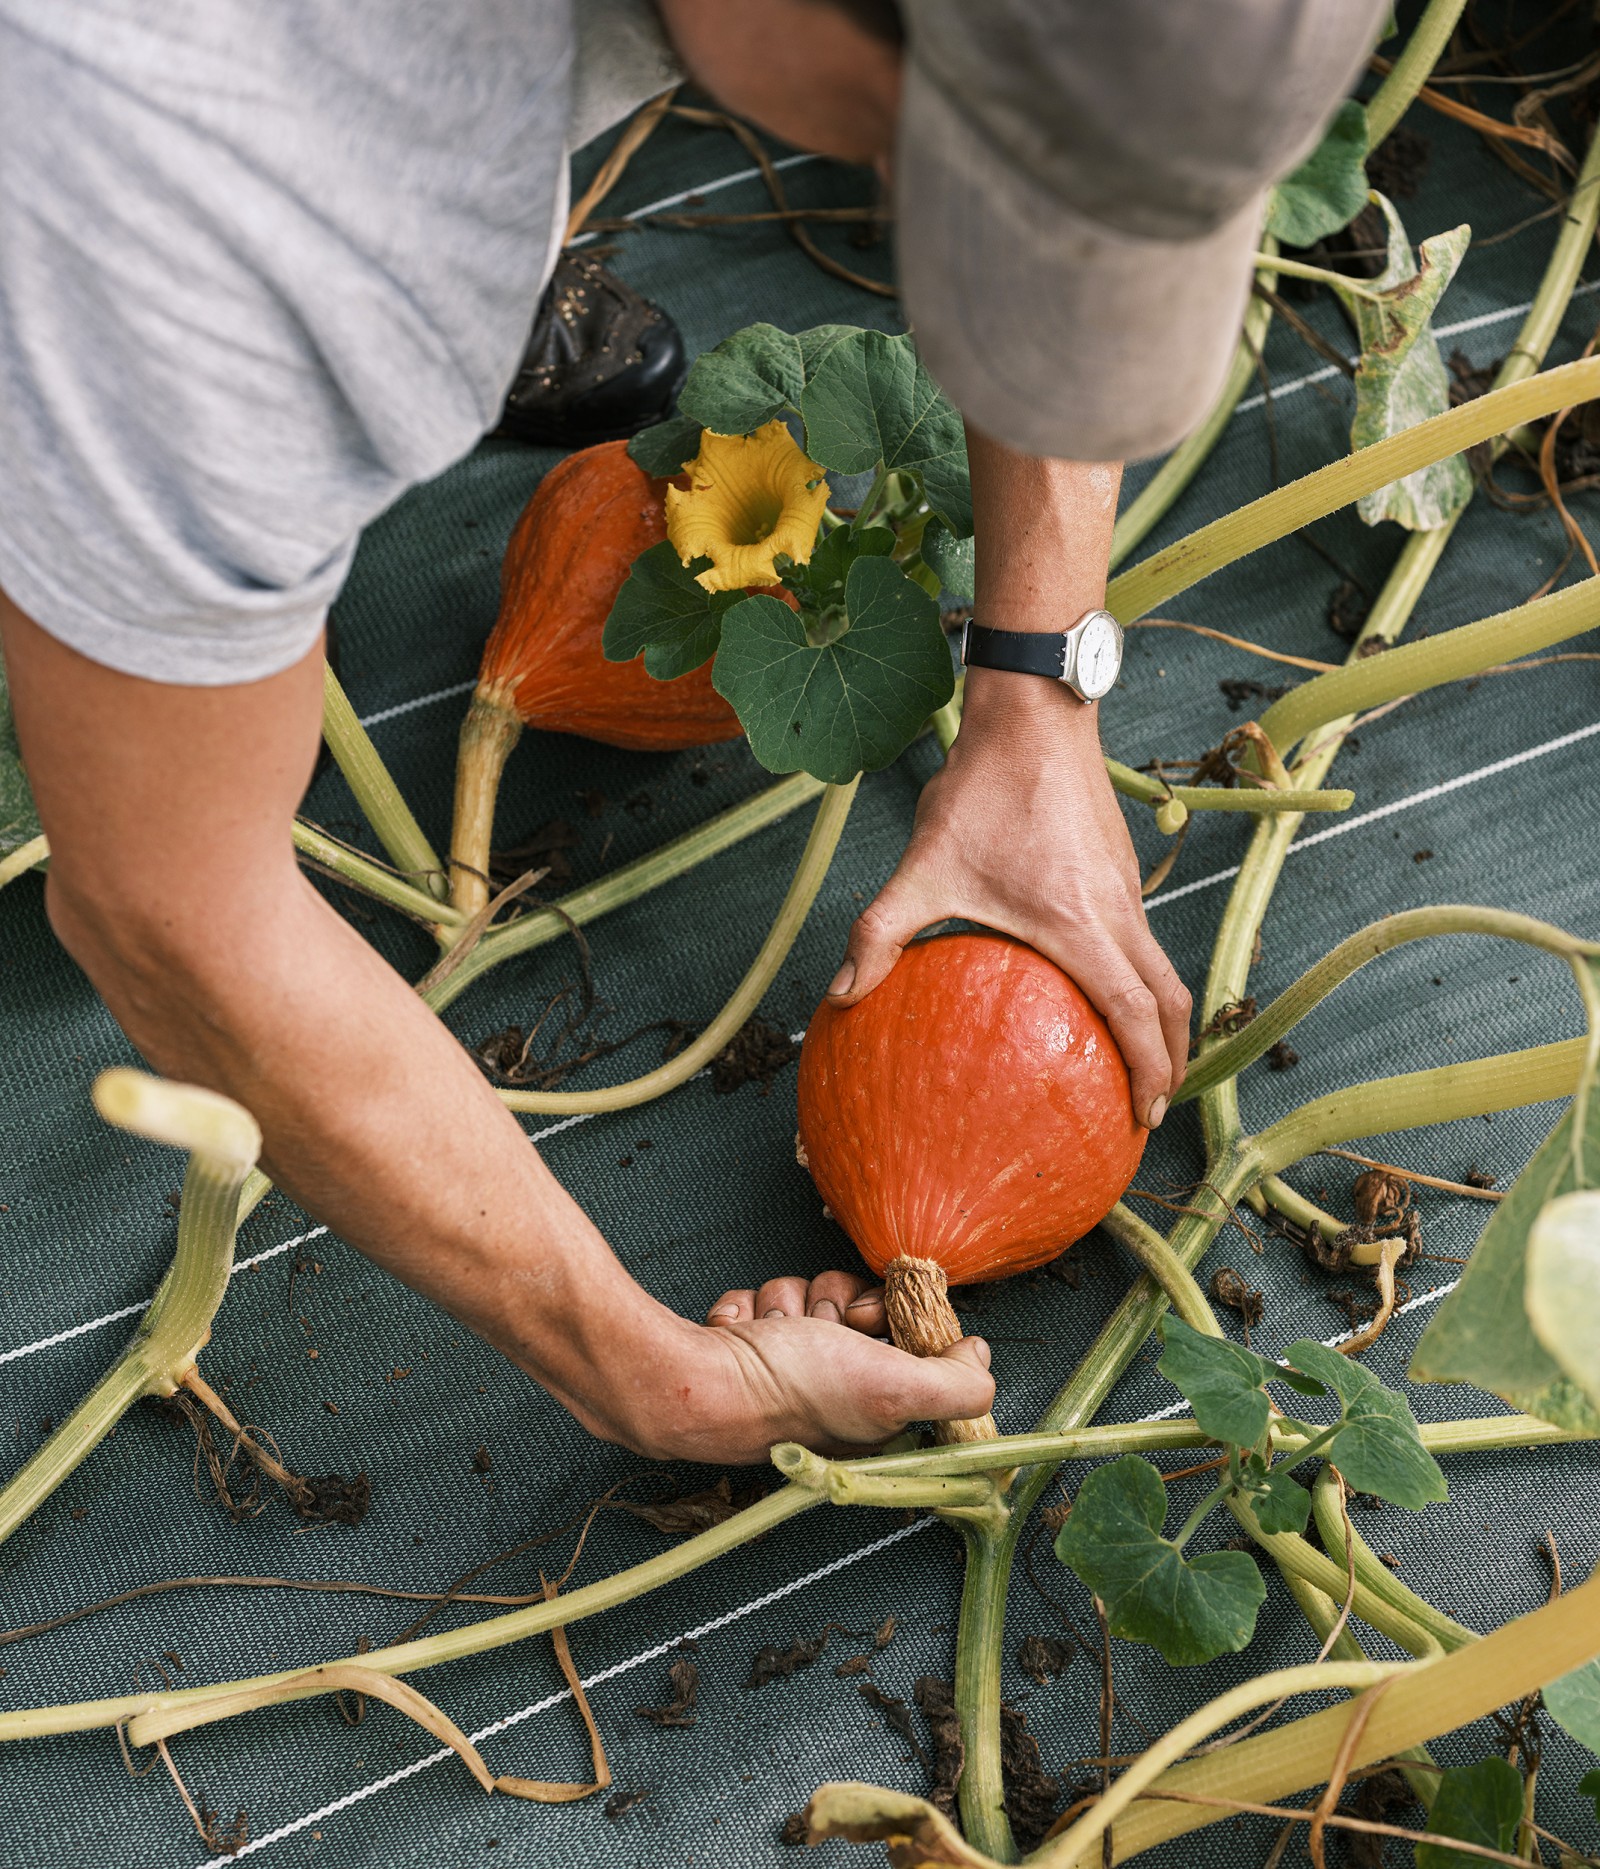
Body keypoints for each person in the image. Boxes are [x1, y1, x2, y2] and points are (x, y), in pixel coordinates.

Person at [0, 0, 1385, 1464]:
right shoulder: (211, 185)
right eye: (921, 166)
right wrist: (642, 1369)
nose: (907, 207)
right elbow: (168, 915)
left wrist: (1037, 698)